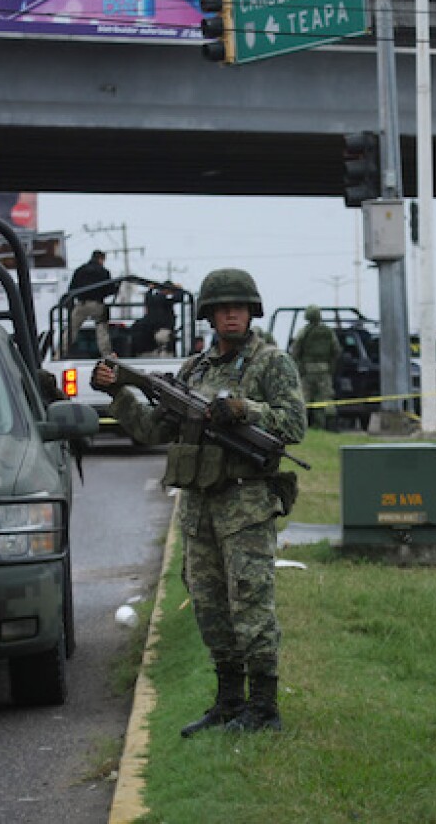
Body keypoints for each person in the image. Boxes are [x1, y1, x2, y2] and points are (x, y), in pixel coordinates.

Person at [91, 268, 306, 736]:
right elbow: (151, 430)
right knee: (209, 606)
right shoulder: (195, 370)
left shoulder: (272, 364)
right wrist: (119, 392)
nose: (231, 314)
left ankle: (265, 708)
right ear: (209, 315)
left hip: (246, 505)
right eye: (222, 307)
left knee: (250, 603)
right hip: (199, 508)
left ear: (251, 311)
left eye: (239, 307)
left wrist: (244, 410)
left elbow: (293, 426)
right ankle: (229, 703)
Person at [289, 305, 339, 431]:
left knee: (305, 399)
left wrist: (297, 367)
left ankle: (303, 426)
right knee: (325, 399)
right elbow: (336, 350)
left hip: (307, 371)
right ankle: (328, 425)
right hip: (324, 371)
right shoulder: (328, 332)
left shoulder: (304, 332)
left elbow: (295, 351)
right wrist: (331, 367)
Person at [66, 250, 115, 356]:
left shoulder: (80, 270)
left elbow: (72, 288)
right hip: (97, 304)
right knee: (101, 329)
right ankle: (106, 355)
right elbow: (110, 290)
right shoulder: (104, 272)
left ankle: (61, 351)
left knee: (71, 329)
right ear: (101, 259)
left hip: (81, 304)